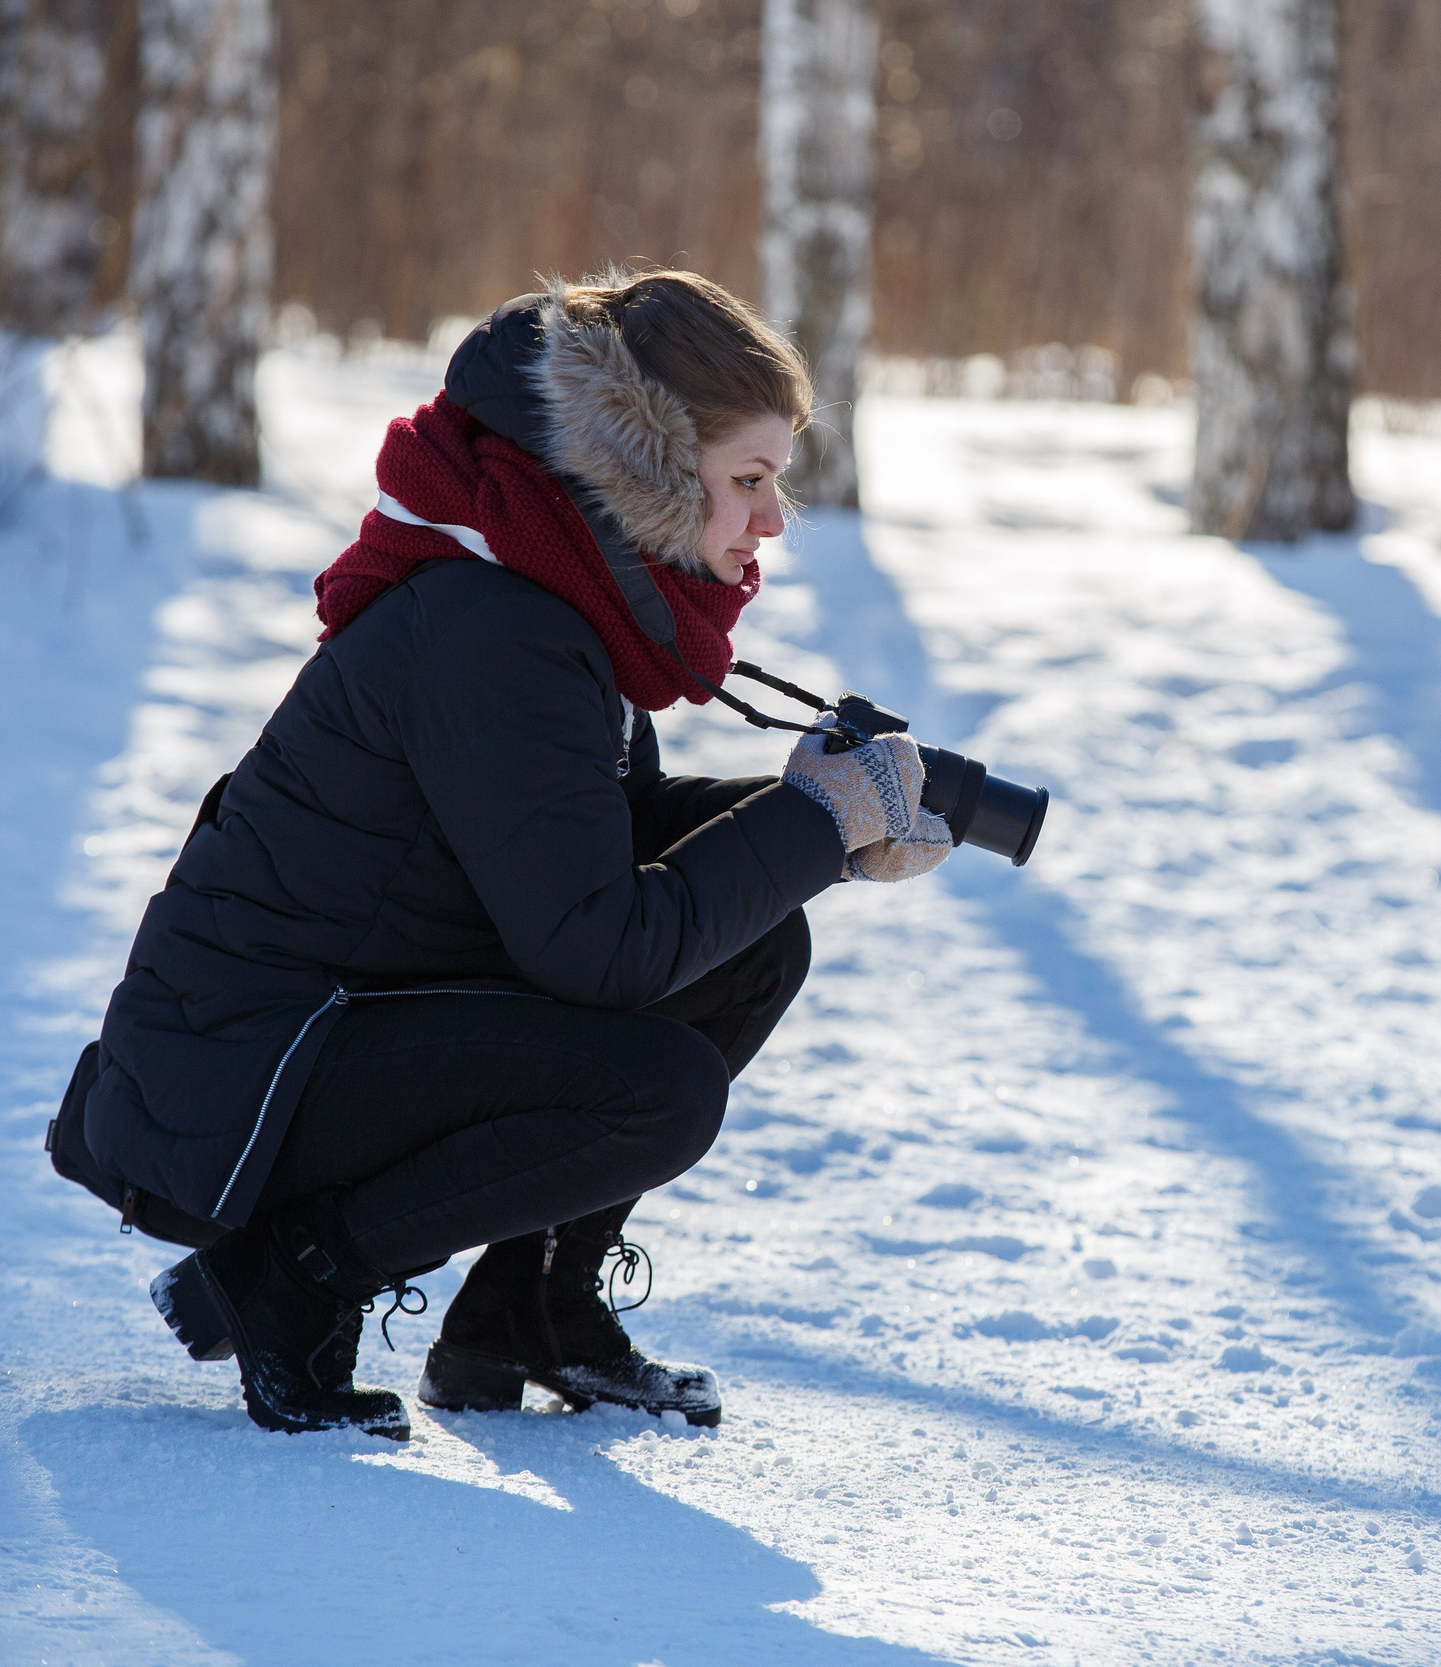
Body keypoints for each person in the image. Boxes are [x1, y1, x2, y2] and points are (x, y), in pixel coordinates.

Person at [82, 269, 954, 1439]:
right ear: (650, 467)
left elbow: (589, 830)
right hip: (247, 1070)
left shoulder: (549, 583)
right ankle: (294, 1271)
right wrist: (811, 823)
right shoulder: (499, 625)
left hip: (330, 1017)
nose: (771, 521)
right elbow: (597, 947)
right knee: (658, 1092)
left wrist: (828, 831)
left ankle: (526, 1313)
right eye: (749, 479)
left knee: (754, 948)